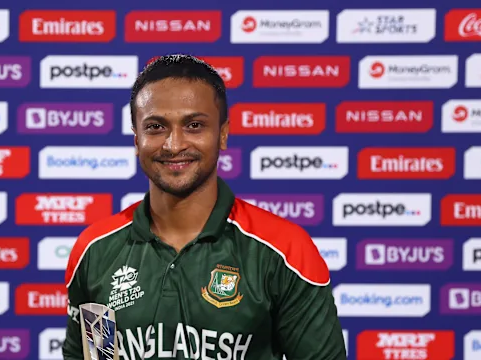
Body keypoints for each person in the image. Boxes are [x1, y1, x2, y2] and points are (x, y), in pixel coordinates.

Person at [63, 54, 346, 360]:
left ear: (222, 134)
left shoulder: (285, 250)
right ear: (136, 140)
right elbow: (98, 356)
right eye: (156, 127)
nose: (174, 145)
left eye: (194, 125)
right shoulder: (96, 251)